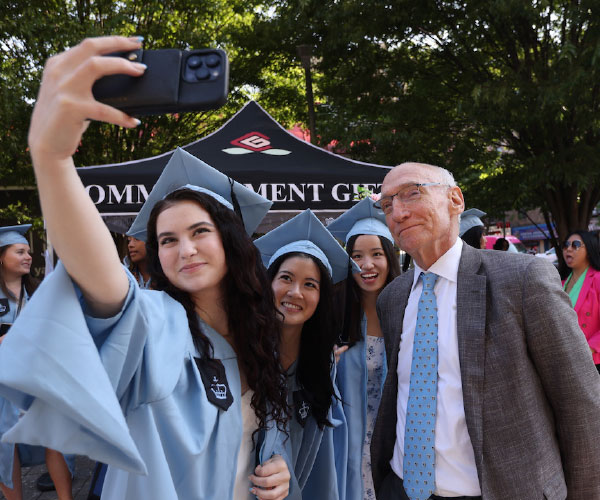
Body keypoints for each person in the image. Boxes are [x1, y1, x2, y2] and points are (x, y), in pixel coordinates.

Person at [0, 36, 291, 500]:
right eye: (167, 240)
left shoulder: (261, 332)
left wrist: (279, 467)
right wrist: (53, 160)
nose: (185, 250)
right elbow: (106, 284)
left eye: (199, 232)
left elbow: (263, 430)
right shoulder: (155, 323)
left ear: (230, 241)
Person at [370, 162, 600, 500]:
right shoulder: (392, 298)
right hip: (403, 488)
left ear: (455, 199)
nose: (398, 213)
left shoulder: (522, 280)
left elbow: (581, 404)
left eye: (411, 193)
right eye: (387, 205)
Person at [255, 209, 355, 499]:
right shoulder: (246, 353)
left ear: (321, 297)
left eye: (310, 284)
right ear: (269, 284)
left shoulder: (321, 363)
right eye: (286, 278)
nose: (296, 292)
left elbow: (324, 460)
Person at [326, 197, 400, 500]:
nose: (366, 265)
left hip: (395, 446)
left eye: (376, 254)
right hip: (346, 445)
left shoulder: (407, 313)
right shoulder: (334, 316)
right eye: (357, 256)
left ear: (390, 258)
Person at [0, 225, 74, 500]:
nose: (28, 256)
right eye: (20, 251)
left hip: (39, 380)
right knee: (7, 447)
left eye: (28, 252)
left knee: (54, 441)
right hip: (4, 386)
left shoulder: (39, 293)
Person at [562, 230, 600, 373]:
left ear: (589, 251)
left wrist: (587, 349)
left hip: (592, 361)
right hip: (565, 359)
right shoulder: (559, 283)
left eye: (576, 245)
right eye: (566, 245)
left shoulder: (597, 280)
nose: (569, 249)